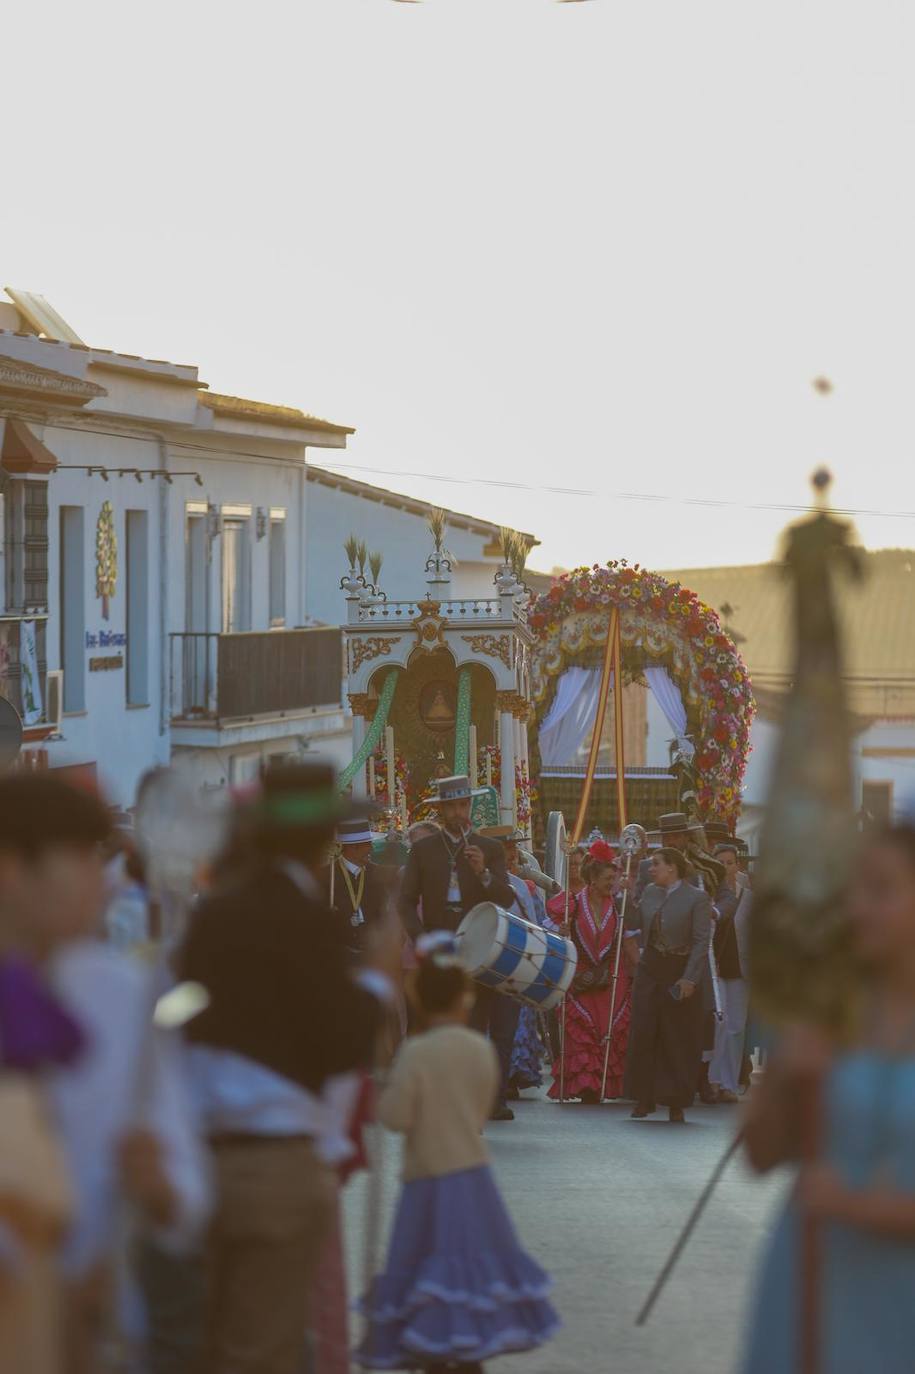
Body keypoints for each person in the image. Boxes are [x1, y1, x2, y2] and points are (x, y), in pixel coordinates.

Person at [179, 763, 401, 1374]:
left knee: (209, 1343)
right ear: (321, 840)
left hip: (203, 1161)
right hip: (278, 1163)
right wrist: (380, 982)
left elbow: (182, 1015)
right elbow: (338, 1043)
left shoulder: (212, 915)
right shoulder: (309, 920)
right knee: (265, 1349)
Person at [0, 775, 209, 1374]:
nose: (103, 882)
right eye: (83, 861)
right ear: (13, 870)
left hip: (98, 1334)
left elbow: (188, 1192)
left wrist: (161, 1191)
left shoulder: (122, 996)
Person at [742, 823, 915, 1374]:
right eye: (852, 891)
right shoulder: (827, 1012)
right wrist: (784, 1078)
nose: (857, 908)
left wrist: (855, 1205)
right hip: (809, 1287)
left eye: (880, 890)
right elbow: (760, 1154)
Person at [356, 932, 559, 1372]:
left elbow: (394, 1117)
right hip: (474, 1178)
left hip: (426, 1179)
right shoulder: (481, 1049)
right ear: (465, 998)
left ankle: (431, 1349)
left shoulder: (416, 1051)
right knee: (471, 1275)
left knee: (427, 1274)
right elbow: (484, 1104)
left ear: (420, 1000)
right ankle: (471, 1351)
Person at [400, 775, 518, 1121]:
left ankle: (488, 1098)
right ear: (441, 810)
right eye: (451, 806)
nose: (458, 812)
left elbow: (506, 898)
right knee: (440, 1025)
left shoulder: (490, 848)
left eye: (463, 804)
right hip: (439, 945)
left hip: (479, 946)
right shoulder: (423, 851)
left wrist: (482, 872)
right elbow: (406, 902)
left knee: (478, 1024)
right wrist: (421, 939)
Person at [624, 846, 712, 1123]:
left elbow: (701, 942)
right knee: (645, 1030)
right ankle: (643, 1098)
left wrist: (689, 978)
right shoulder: (649, 892)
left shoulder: (697, 898)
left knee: (677, 1036)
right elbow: (636, 923)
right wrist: (625, 896)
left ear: (672, 867)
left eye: (656, 865)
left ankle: (676, 1102)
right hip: (651, 967)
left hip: (679, 967)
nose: (651, 869)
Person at [548, 841, 635, 1103]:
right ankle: (585, 1084)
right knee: (582, 1031)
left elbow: (629, 940)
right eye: (608, 878)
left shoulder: (620, 906)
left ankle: (607, 1083)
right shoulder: (571, 904)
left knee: (608, 1028)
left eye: (615, 877)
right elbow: (550, 935)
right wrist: (561, 931)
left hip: (612, 976)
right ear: (593, 879)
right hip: (580, 975)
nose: (613, 883)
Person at [708, 840, 751, 1104]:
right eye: (720, 863)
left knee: (736, 1026)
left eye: (730, 862)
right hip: (715, 966)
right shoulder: (709, 894)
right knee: (718, 1024)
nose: (726, 867)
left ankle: (729, 1083)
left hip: (741, 968)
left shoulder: (749, 896)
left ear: (738, 865)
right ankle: (711, 1081)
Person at [324, 817, 388, 957]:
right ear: (353, 848)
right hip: (337, 953)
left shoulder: (377, 874)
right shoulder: (327, 875)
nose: (372, 849)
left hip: (372, 952)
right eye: (368, 844)